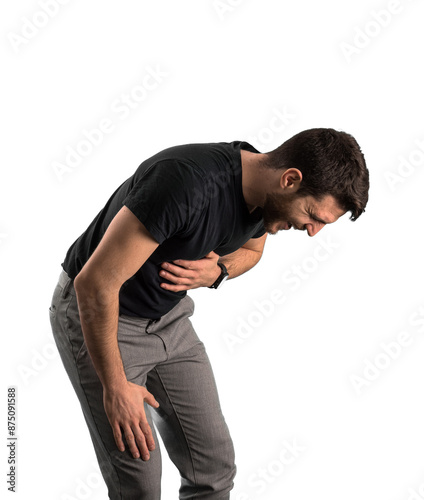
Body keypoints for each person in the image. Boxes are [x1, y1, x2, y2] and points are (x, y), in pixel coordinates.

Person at [48, 127, 369, 499]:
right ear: (290, 179)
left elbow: (252, 251)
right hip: (103, 316)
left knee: (214, 467)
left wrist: (220, 271)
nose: (312, 232)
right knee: (140, 484)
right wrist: (115, 387)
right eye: (314, 216)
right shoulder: (186, 183)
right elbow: (95, 285)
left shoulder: (263, 198)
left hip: (170, 318)